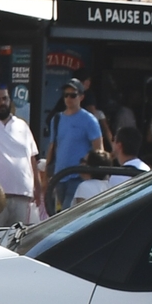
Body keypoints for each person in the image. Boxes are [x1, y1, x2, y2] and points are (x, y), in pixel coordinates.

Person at [0, 85, 41, 227]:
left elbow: (31, 158)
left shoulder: (22, 125)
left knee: (21, 243)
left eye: (5, 99)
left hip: (23, 194)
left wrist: (38, 187)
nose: (2, 103)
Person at [44, 81, 103, 210]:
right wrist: (46, 175)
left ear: (81, 97)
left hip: (78, 176)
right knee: (60, 214)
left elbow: (99, 149)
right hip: (59, 176)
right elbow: (53, 146)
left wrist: (92, 172)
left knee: (67, 211)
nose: (68, 99)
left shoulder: (89, 120)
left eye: (73, 95)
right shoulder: (57, 119)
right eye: (66, 95)